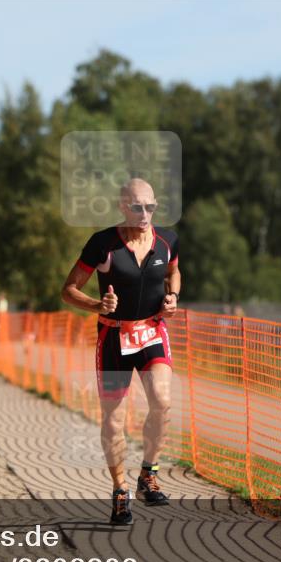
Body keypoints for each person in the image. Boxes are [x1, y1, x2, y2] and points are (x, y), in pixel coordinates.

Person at [61, 178, 181, 525]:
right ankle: (120, 491)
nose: (145, 214)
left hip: (152, 332)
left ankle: (149, 474)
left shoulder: (167, 241)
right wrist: (98, 304)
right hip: (114, 338)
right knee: (114, 419)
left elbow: (174, 273)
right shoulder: (103, 244)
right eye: (137, 207)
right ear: (122, 207)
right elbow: (68, 290)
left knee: (162, 400)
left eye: (151, 207)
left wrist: (172, 297)